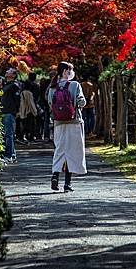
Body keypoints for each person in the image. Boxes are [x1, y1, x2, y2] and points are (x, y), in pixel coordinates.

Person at [48, 61, 86, 192]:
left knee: (59, 150)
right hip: (74, 123)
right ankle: (67, 184)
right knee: (72, 153)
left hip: (58, 123)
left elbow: (49, 103)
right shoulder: (75, 85)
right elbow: (82, 102)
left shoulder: (53, 86)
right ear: (65, 71)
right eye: (70, 70)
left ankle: (55, 176)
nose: (71, 73)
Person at [0, 68, 21, 163]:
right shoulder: (6, 85)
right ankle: (10, 154)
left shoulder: (14, 86)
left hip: (9, 112)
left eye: (9, 71)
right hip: (4, 111)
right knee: (6, 134)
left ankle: (10, 155)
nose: (7, 71)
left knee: (9, 134)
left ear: (13, 75)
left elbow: (17, 100)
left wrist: (16, 111)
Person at [19, 73, 39, 143]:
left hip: (23, 109)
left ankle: (22, 136)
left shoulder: (22, 92)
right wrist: (35, 111)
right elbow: (32, 102)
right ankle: (30, 137)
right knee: (31, 124)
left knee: (23, 124)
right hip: (29, 110)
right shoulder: (31, 92)